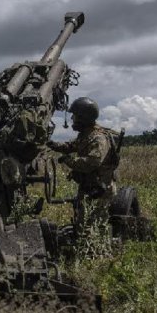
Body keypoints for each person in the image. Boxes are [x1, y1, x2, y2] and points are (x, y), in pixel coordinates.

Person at [46, 97, 120, 259]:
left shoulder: (98, 138)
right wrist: (51, 144)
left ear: (84, 118)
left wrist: (69, 161)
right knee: (83, 222)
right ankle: (88, 252)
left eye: (75, 116)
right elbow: (70, 147)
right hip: (90, 187)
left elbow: (92, 162)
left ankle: (98, 256)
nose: (72, 119)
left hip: (100, 190)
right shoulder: (85, 135)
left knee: (92, 224)